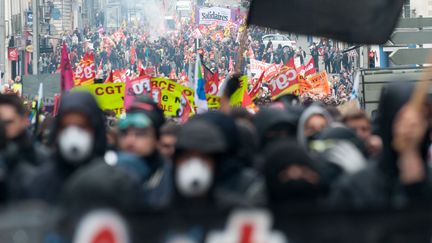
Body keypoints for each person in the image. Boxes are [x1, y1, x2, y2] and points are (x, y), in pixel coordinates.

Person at [330, 83, 432, 208]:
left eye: (419, 118)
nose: (410, 128)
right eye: (401, 119)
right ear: (388, 122)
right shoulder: (355, 187)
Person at [28, 92, 107, 204]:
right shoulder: (41, 182)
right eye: (66, 126)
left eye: (82, 127)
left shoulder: (114, 183)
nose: (73, 134)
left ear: (95, 128)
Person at [118, 101, 172, 209]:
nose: (130, 141)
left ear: (157, 139)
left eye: (140, 134)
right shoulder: (105, 178)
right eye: (124, 133)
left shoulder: (172, 181)